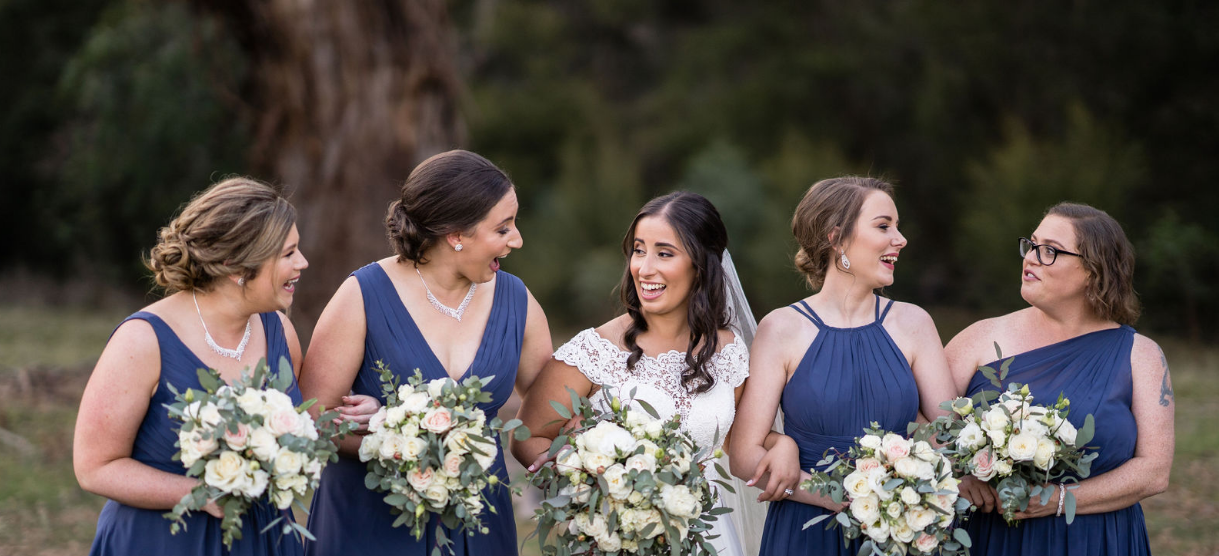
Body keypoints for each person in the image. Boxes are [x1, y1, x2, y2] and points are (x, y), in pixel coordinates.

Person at [299, 150, 553, 556]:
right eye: (503, 228)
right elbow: (313, 417)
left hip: (478, 523)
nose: (517, 239)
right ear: (456, 235)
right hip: (370, 524)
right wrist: (394, 435)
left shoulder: (517, 302)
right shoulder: (363, 295)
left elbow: (550, 414)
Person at [512, 191, 773, 556]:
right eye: (638, 250)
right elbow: (526, 437)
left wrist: (786, 446)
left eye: (664, 253)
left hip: (711, 537)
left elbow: (740, 445)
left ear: (701, 265)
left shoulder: (729, 351)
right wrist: (598, 489)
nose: (644, 268)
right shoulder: (594, 350)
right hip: (622, 538)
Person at [74, 177, 311, 555]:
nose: (302, 263)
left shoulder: (280, 331)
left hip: (261, 539)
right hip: (161, 540)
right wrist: (198, 493)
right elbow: (94, 467)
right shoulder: (142, 341)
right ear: (236, 263)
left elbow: (301, 433)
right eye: (287, 254)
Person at [729, 176, 958, 556]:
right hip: (806, 532)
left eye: (897, 227)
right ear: (837, 238)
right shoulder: (782, 329)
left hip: (897, 530)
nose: (899, 239)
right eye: (884, 226)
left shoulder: (914, 323)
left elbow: (950, 437)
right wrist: (835, 497)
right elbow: (743, 456)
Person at [946, 202, 1172, 556]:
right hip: (992, 537)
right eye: (1031, 245)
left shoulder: (1141, 356)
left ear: (1093, 272)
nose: (1031, 258)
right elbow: (922, 420)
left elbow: (1154, 472)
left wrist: (1060, 498)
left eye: (1049, 251)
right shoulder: (979, 338)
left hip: (1097, 541)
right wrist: (960, 476)